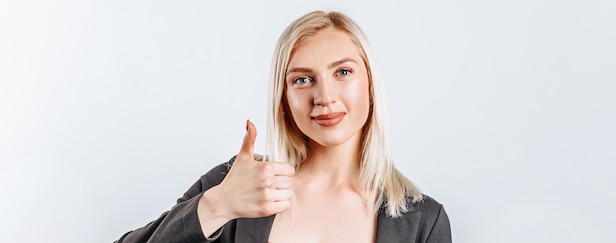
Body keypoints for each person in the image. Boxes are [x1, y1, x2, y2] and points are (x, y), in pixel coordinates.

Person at [116, 10, 451, 243]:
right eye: (302, 79)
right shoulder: (235, 184)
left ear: (371, 84)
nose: (324, 96)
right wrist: (217, 205)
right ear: (284, 98)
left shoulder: (423, 220)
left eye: (343, 72)